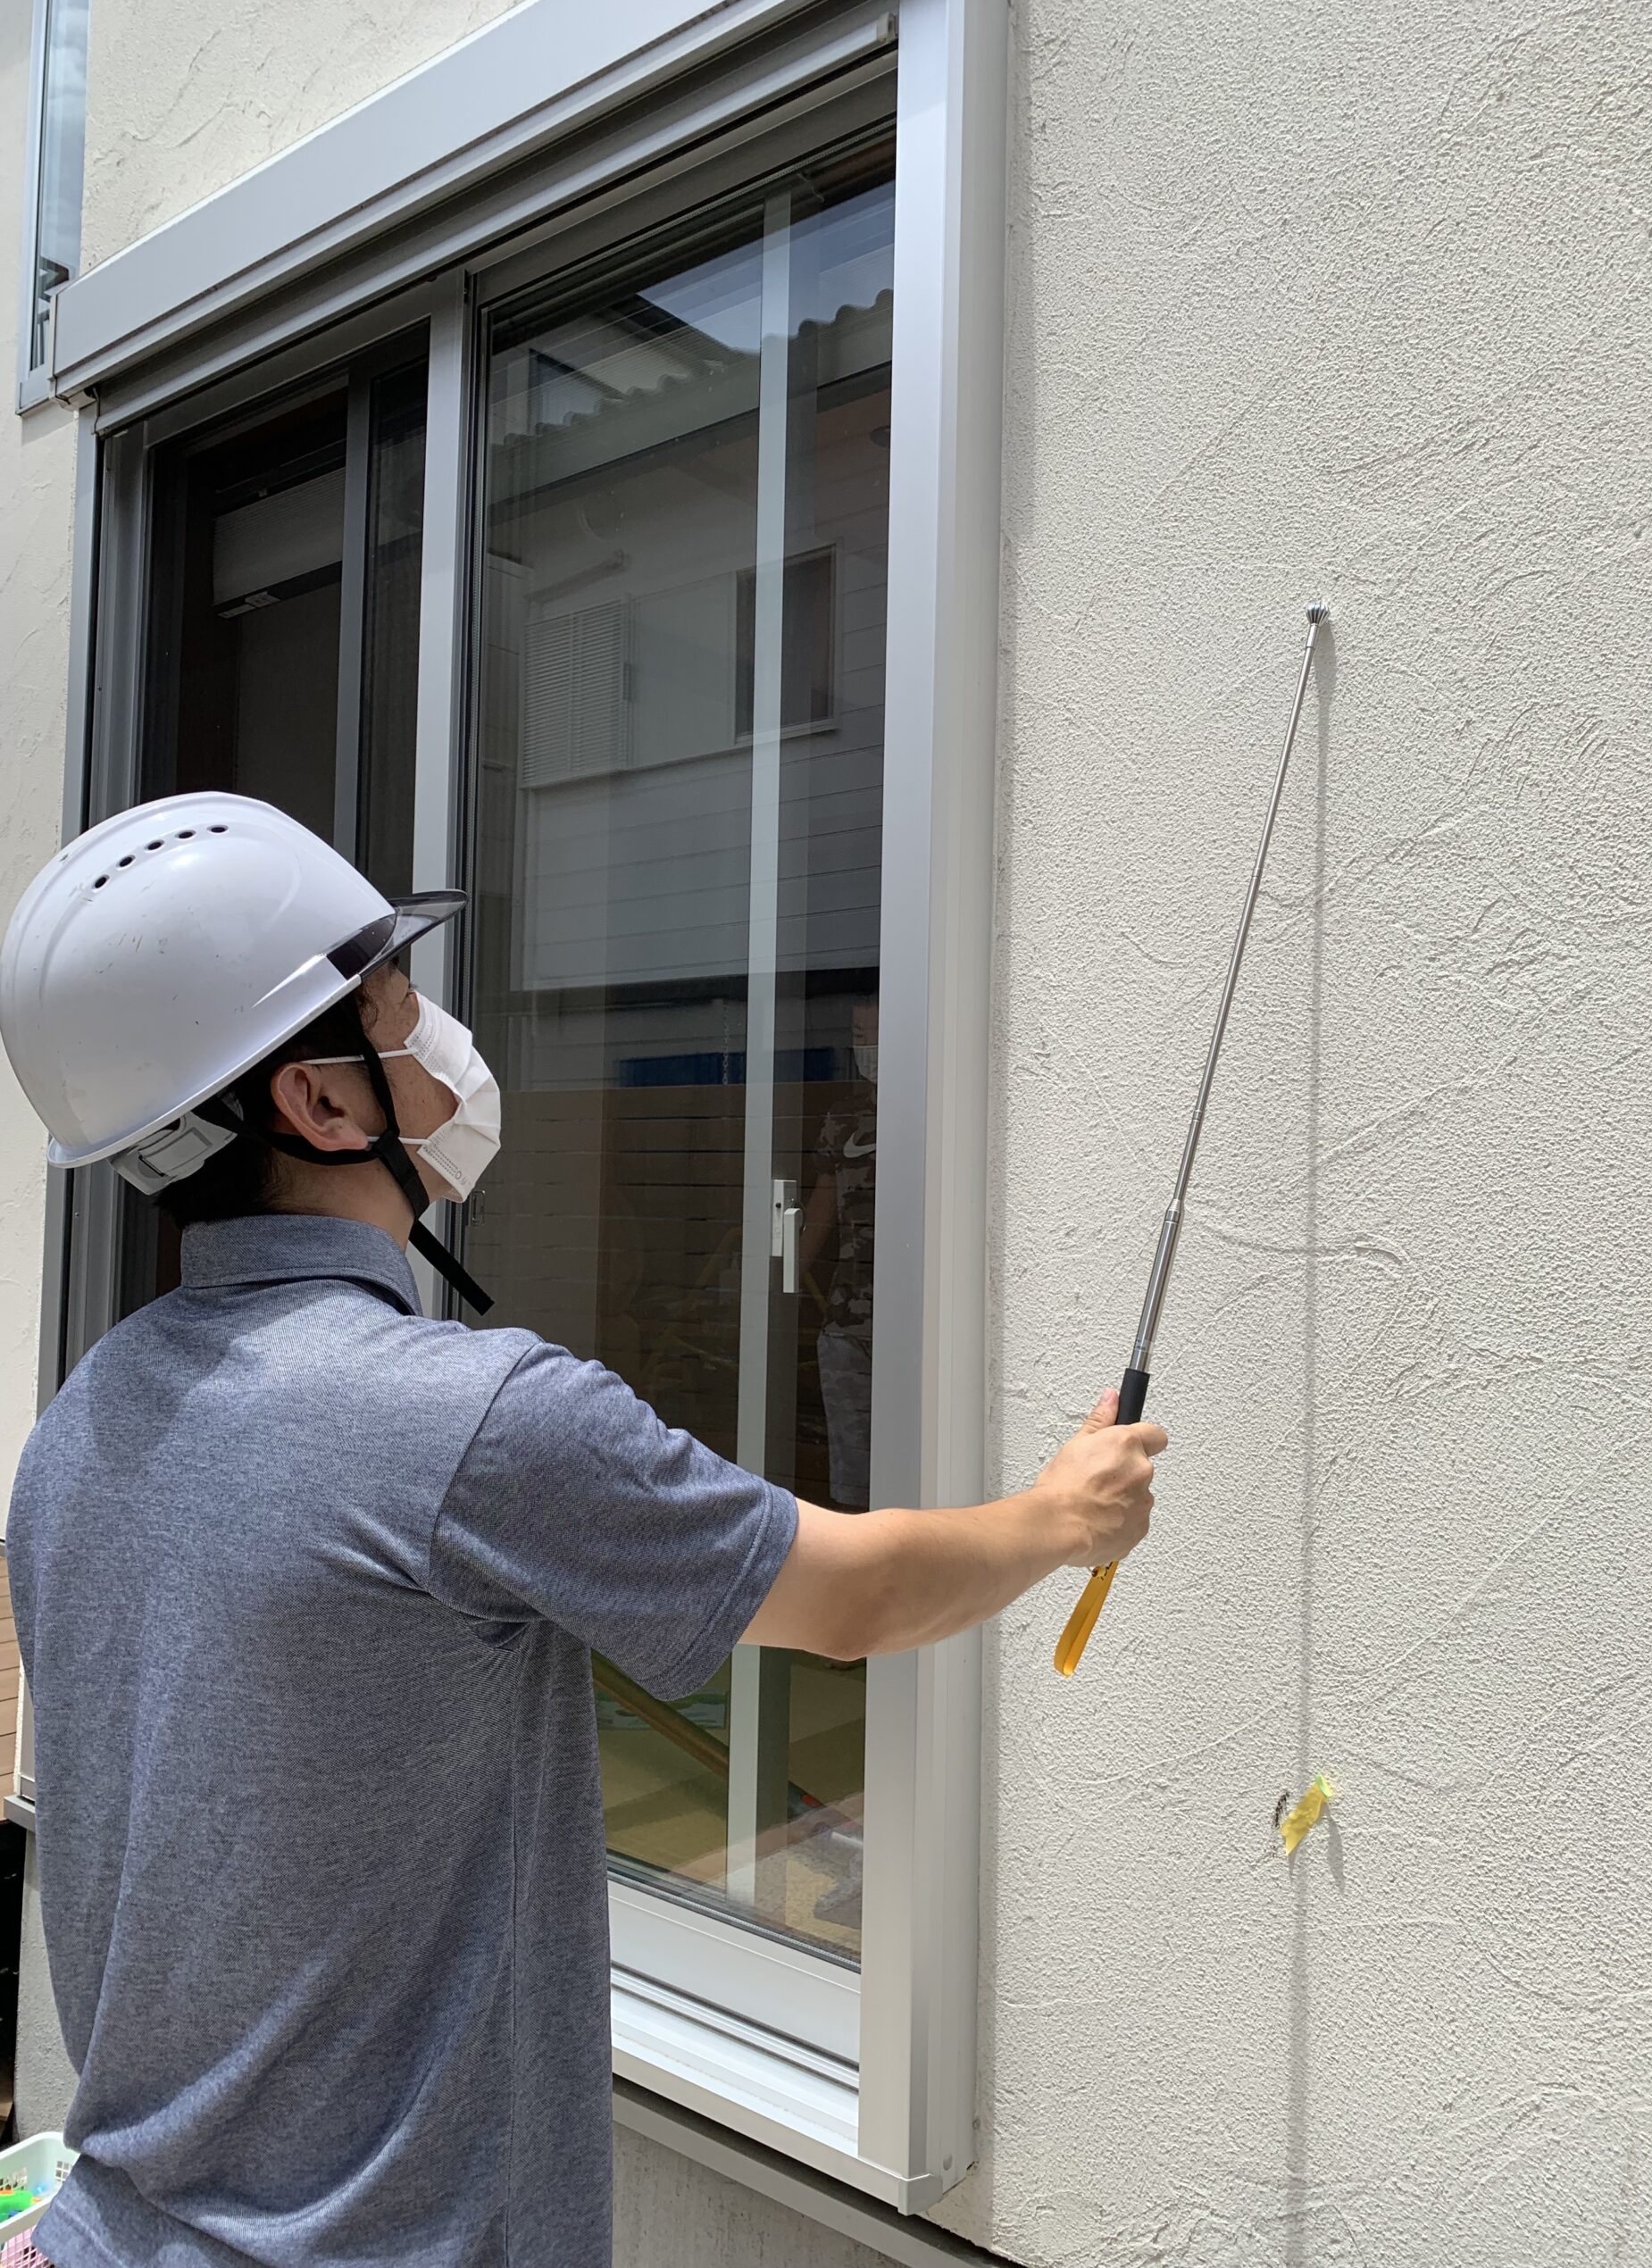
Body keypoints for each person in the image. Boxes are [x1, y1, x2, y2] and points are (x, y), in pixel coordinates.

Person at [0, 794, 1167, 2268]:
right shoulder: (470, 1423)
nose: (441, 1036)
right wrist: (1063, 1517)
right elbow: (851, 1602)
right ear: (324, 1102)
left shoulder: (82, 1422)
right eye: (399, 1000)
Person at [799, 992, 880, 1510]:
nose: (865, 1047)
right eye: (856, 1037)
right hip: (848, 1318)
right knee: (852, 1475)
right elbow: (819, 1213)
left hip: (914, 1322)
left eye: (873, 1035)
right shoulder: (844, 1118)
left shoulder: (933, 1109)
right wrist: (779, 1273)